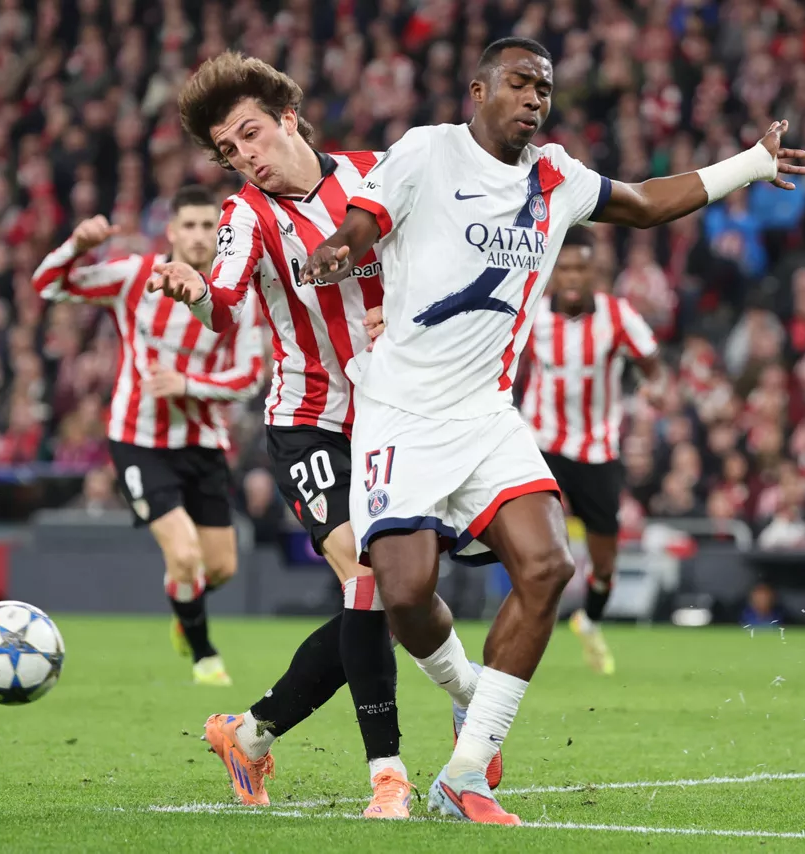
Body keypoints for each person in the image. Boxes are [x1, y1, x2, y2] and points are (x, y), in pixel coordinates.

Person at [301, 37, 805, 824]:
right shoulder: (426, 152)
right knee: (405, 594)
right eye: (519, 83)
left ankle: (465, 772)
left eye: (544, 87)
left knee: (548, 567)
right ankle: (470, 691)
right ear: (478, 90)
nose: (535, 98)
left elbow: (642, 202)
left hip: (487, 415)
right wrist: (339, 249)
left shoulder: (556, 176)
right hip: (399, 411)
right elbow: (366, 220)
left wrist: (748, 163)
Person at [150, 51, 465, 820]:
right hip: (310, 420)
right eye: (229, 150)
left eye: (251, 134)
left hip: (399, 417)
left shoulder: (375, 173)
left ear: (289, 118)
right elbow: (223, 300)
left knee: (399, 593)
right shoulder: (245, 217)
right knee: (367, 576)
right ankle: (388, 775)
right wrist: (193, 292)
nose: (245, 156)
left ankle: (251, 734)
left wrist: (410, 311)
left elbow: (438, 254)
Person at [30, 185, 264, 687]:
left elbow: (249, 377)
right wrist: (76, 244)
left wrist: (189, 384)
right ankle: (205, 656)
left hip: (203, 444)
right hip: (138, 439)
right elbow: (47, 285)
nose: (201, 236)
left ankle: (183, 601)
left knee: (218, 568)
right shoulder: (136, 275)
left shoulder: (238, 297)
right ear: (173, 231)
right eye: (192, 225)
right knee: (184, 556)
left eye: (210, 226)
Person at [518, 227, 663, 675]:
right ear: (553, 273)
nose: (574, 276)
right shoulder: (530, 315)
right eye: (566, 268)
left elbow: (653, 368)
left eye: (582, 267)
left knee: (604, 565)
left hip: (598, 450)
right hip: (540, 444)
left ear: (595, 271)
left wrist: (651, 392)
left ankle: (589, 621)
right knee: (535, 550)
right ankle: (524, 626)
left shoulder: (618, 316)